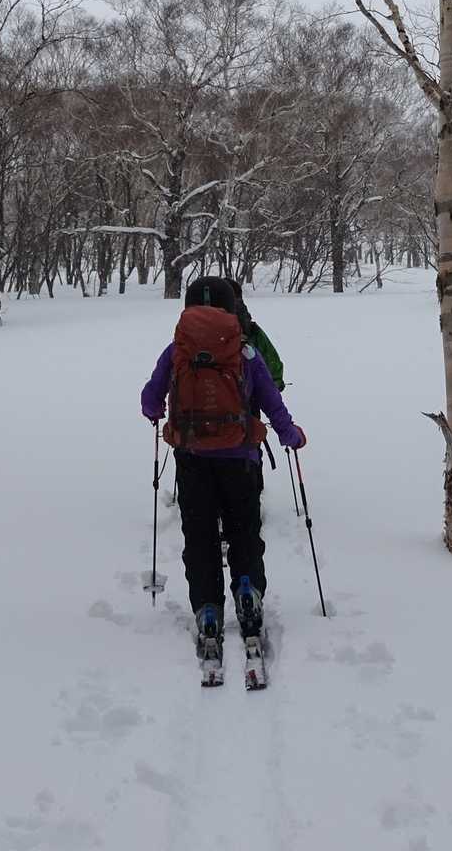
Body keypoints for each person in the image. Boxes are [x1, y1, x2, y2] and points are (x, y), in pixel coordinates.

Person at [141, 276, 306, 679]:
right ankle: (248, 589)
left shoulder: (177, 350)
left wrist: (157, 413)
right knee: (244, 532)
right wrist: (291, 435)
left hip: (192, 459)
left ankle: (208, 609)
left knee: (200, 536)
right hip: (241, 459)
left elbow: (150, 400)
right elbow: (272, 402)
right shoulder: (246, 350)